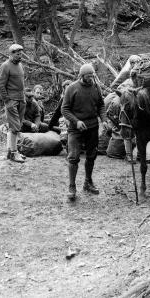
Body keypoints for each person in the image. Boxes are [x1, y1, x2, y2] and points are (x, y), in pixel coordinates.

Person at [62, 63, 106, 201]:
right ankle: (72, 186)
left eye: (93, 75)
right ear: (82, 76)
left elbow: (101, 105)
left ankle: (88, 182)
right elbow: (65, 109)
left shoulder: (96, 86)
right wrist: (76, 121)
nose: (92, 78)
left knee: (92, 155)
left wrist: (103, 120)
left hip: (92, 127)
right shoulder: (72, 88)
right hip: (75, 129)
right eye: (89, 76)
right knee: (73, 157)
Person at [0, 43, 27, 163]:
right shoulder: (5, 66)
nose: (20, 55)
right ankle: (14, 153)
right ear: (11, 54)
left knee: (14, 127)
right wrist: (7, 101)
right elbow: (0, 85)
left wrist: (23, 98)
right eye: (17, 54)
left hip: (21, 99)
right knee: (15, 128)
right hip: (12, 101)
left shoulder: (20, 65)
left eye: (21, 53)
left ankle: (10, 151)